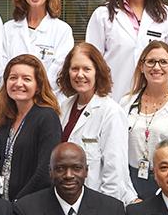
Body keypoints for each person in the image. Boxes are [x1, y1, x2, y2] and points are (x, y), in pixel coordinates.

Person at [56, 42, 137, 204]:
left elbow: (115, 171)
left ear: (97, 73)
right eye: (74, 69)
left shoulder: (111, 112)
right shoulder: (64, 107)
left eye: (86, 69)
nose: (80, 75)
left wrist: (105, 209)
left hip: (99, 202)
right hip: (68, 200)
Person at [119, 41, 168, 200]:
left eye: (163, 62)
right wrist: (129, 197)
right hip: (129, 184)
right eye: (150, 61)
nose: (156, 67)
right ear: (141, 67)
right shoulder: (125, 103)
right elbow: (116, 155)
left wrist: (163, 197)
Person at [0, 54, 62, 201]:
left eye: (26, 79)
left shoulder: (47, 117)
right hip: (3, 206)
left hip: (30, 207)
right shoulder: (6, 119)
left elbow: (45, 171)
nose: (18, 83)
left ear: (38, 86)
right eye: (13, 78)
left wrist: (20, 202)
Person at [2, 0, 74, 98]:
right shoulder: (8, 29)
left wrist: (33, 93)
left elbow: (59, 72)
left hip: (47, 102)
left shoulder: (62, 31)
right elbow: (2, 70)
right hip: (13, 102)